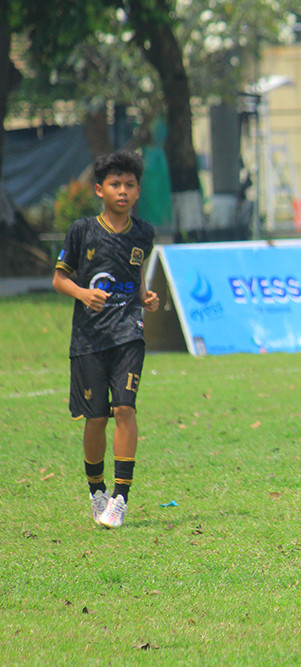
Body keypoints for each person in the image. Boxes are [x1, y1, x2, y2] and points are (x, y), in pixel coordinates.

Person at [52, 150, 160, 528]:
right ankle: (96, 491)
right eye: (115, 184)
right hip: (89, 339)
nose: (123, 191)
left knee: (125, 410)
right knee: (96, 418)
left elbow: (137, 278)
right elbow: (59, 279)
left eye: (130, 185)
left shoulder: (144, 233)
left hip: (129, 333)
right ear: (100, 189)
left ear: (137, 191)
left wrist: (145, 296)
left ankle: (120, 498)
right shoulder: (83, 230)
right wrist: (82, 293)